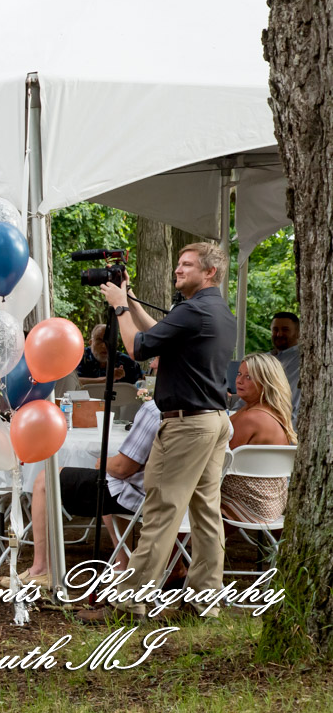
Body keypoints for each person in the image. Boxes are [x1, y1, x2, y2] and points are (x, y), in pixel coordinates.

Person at [84, 242, 234, 622]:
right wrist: (132, 300)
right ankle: (205, 601)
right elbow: (159, 334)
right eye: (178, 263)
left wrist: (120, 307)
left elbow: (139, 348)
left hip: (187, 425)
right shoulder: (216, 311)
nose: (178, 270)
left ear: (209, 272)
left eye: (187, 265)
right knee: (206, 514)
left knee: (161, 511)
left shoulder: (193, 310)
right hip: (214, 420)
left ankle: (129, 601)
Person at [22, 397, 162, 586]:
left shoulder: (154, 410)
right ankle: (122, 565)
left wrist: (104, 463)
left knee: (45, 479)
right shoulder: (199, 408)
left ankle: (41, 569)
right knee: (108, 481)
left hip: (139, 496)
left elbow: (122, 468)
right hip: (173, 499)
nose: (152, 366)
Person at [222, 354, 298, 525]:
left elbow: (220, 460)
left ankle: (181, 541)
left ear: (266, 382)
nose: (239, 381)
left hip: (248, 504)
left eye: (249, 377)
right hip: (272, 503)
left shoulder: (252, 418)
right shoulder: (274, 413)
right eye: (239, 374)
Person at [76, 323, 143, 386]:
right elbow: (73, 382)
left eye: (109, 341)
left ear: (116, 344)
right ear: (91, 343)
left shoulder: (127, 362)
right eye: (99, 340)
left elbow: (141, 383)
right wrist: (108, 378)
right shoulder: (79, 357)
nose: (104, 346)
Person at [270, 312, 301, 425]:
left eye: (285, 329)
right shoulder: (266, 358)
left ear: (298, 333)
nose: (279, 334)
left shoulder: (301, 361)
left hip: (286, 424)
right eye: (275, 329)